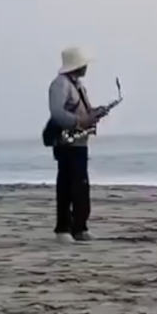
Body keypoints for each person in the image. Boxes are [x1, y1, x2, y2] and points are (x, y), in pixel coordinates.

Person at [48, 47, 103, 243]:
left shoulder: (77, 85)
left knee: (81, 187)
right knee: (67, 186)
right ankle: (63, 229)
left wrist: (94, 114)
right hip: (67, 142)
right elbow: (57, 113)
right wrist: (80, 122)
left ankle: (80, 227)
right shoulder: (60, 85)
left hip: (79, 142)